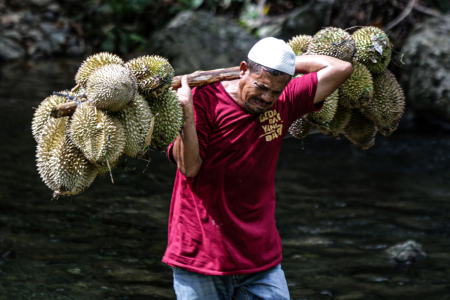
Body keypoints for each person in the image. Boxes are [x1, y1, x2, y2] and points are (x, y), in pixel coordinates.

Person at [162, 37, 353, 299]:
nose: (266, 98)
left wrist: (285, 66)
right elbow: (190, 168)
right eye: (261, 87)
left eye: (275, 91)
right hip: (202, 255)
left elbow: (341, 68)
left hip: (259, 257)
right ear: (243, 70)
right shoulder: (203, 100)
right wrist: (185, 114)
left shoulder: (286, 100)